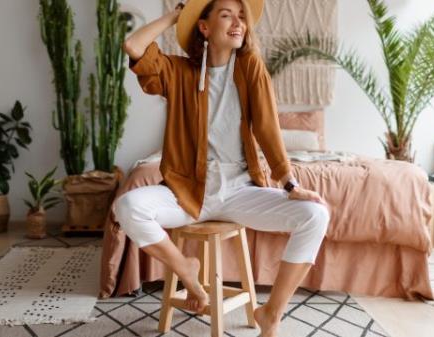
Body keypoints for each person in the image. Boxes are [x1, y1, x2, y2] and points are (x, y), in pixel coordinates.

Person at [117, 0, 331, 335]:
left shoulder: (250, 68)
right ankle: (186, 268)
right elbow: (133, 46)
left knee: (315, 215)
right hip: (187, 193)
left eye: (242, 16)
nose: (238, 23)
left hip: (238, 192)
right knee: (127, 205)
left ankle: (271, 313)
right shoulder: (179, 71)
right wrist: (175, 17)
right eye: (226, 15)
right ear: (204, 28)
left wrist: (290, 184)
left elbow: (268, 128)